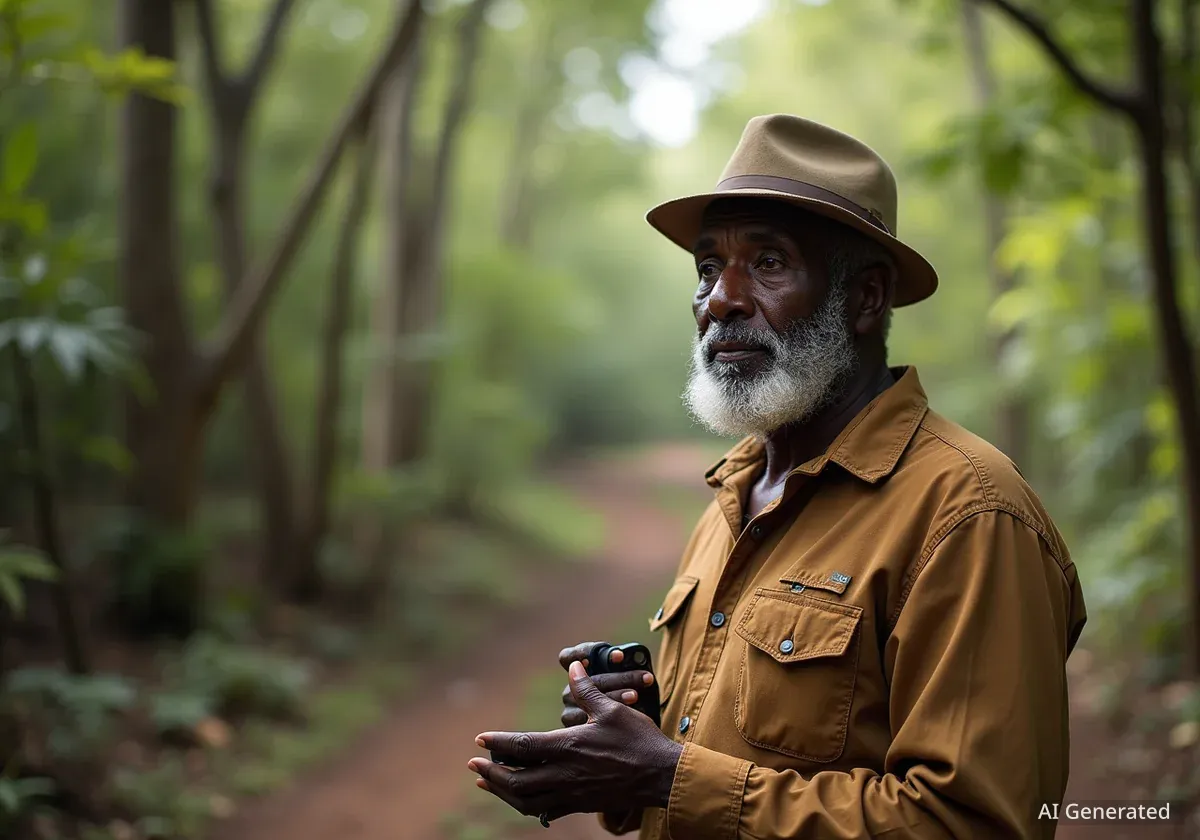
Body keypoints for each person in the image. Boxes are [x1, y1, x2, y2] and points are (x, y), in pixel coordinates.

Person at [466, 114, 1088, 839]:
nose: (721, 299)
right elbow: (719, 758)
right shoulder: (731, 499)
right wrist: (631, 740)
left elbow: (974, 823)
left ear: (865, 298)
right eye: (706, 269)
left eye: (767, 263)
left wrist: (667, 774)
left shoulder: (970, 513)